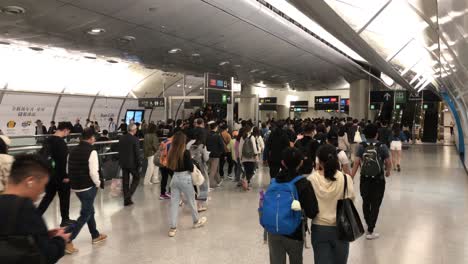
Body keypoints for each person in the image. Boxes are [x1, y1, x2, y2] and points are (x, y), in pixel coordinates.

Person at [0, 155, 70, 264]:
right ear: (30, 181)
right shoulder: (24, 208)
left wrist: (41, 235)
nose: (43, 191)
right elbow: (46, 255)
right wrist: (60, 240)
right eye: (43, 185)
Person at [266, 147, 319, 264]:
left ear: (282, 162)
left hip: (274, 229)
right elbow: (312, 212)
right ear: (300, 162)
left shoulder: (274, 182)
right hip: (295, 232)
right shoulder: (303, 183)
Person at [308, 144, 355, 264]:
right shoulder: (345, 179)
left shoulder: (312, 179)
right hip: (341, 228)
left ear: (319, 160)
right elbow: (351, 200)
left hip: (319, 228)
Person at [66, 128, 107, 254]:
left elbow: (68, 169)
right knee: (85, 214)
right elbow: (93, 172)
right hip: (88, 187)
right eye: (94, 137)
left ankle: (95, 235)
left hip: (76, 187)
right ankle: (67, 240)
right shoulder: (92, 151)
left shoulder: (72, 150)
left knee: (90, 210)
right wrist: (99, 184)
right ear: (91, 138)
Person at [351, 124, 391, 240]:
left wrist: (351, 176)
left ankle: (368, 223)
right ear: (376, 134)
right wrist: (388, 172)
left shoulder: (361, 146)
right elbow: (388, 162)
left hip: (365, 178)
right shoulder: (382, 146)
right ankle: (371, 229)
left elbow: (356, 163)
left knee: (365, 201)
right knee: (376, 203)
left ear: (364, 135)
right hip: (379, 179)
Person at [166, 132, 207, 237]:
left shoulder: (171, 151)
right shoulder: (186, 152)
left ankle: (173, 228)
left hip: (175, 178)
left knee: (174, 204)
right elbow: (190, 167)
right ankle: (196, 221)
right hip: (185, 178)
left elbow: (169, 166)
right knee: (191, 201)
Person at [37, 122, 76, 227]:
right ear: (66, 130)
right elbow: (62, 162)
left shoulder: (48, 140)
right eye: (68, 132)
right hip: (60, 176)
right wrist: (65, 176)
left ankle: (36, 216)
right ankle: (65, 219)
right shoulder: (61, 143)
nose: (68, 134)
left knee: (48, 196)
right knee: (64, 197)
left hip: (49, 174)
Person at [118, 124, 141, 206]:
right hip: (132, 164)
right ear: (134, 130)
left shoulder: (121, 138)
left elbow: (119, 151)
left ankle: (127, 200)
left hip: (123, 163)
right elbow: (137, 153)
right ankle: (128, 196)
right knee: (137, 178)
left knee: (125, 181)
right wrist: (139, 164)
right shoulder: (135, 139)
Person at [187, 132, 210, 211]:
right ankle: (200, 205)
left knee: (193, 187)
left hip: (190, 168)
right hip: (200, 168)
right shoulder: (202, 146)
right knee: (203, 186)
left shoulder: (188, 145)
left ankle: (192, 204)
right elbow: (206, 158)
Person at [205, 121, 225, 188]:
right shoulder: (217, 136)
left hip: (207, 154)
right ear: (216, 127)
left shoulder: (206, 135)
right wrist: (221, 152)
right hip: (216, 155)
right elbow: (222, 146)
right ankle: (210, 184)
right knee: (213, 170)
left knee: (214, 169)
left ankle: (218, 180)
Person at [158, 133, 173, 200]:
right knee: (173, 177)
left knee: (164, 178)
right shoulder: (172, 143)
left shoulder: (163, 142)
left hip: (162, 163)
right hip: (168, 163)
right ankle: (170, 192)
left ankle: (162, 194)